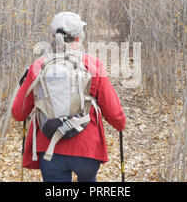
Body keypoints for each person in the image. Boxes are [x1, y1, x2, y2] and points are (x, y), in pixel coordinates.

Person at [11, 12, 126, 182]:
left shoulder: (39, 66)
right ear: (79, 38)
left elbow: (18, 113)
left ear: (53, 37)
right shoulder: (92, 65)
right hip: (86, 149)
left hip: (49, 149)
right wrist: (120, 123)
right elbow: (114, 112)